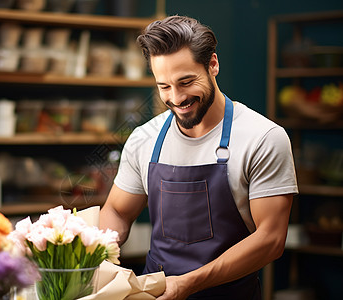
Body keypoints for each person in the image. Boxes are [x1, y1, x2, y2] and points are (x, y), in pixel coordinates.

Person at [99, 15, 298, 300]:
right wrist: (98, 253)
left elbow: (271, 239)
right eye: (164, 86)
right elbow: (117, 211)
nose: (176, 98)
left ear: (213, 65)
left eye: (186, 81)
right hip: (156, 294)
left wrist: (188, 283)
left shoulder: (263, 138)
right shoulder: (145, 138)